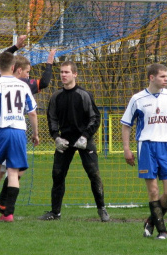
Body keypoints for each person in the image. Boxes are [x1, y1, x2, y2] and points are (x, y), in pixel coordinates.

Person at [0, 36, 56, 220]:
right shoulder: (24, 85)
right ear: (15, 68)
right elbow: (33, 113)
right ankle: (8, 213)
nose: (29, 74)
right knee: (14, 173)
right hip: (19, 132)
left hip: (0, 131)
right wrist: (35, 134)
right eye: (27, 71)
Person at [39, 61, 110, 222]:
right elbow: (52, 119)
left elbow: (95, 118)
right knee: (57, 175)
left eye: (67, 72)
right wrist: (56, 137)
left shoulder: (84, 95)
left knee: (93, 174)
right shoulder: (56, 96)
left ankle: (102, 209)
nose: (63, 75)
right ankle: (55, 212)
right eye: (62, 72)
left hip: (84, 140)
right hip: (64, 140)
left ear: (75, 74)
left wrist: (85, 136)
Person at [121, 63, 167, 240]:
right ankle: (162, 230)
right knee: (154, 192)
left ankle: (151, 221)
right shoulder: (137, 99)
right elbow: (126, 125)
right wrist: (126, 149)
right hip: (147, 146)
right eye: (163, 76)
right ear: (151, 78)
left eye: (166, 76)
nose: (166, 79)